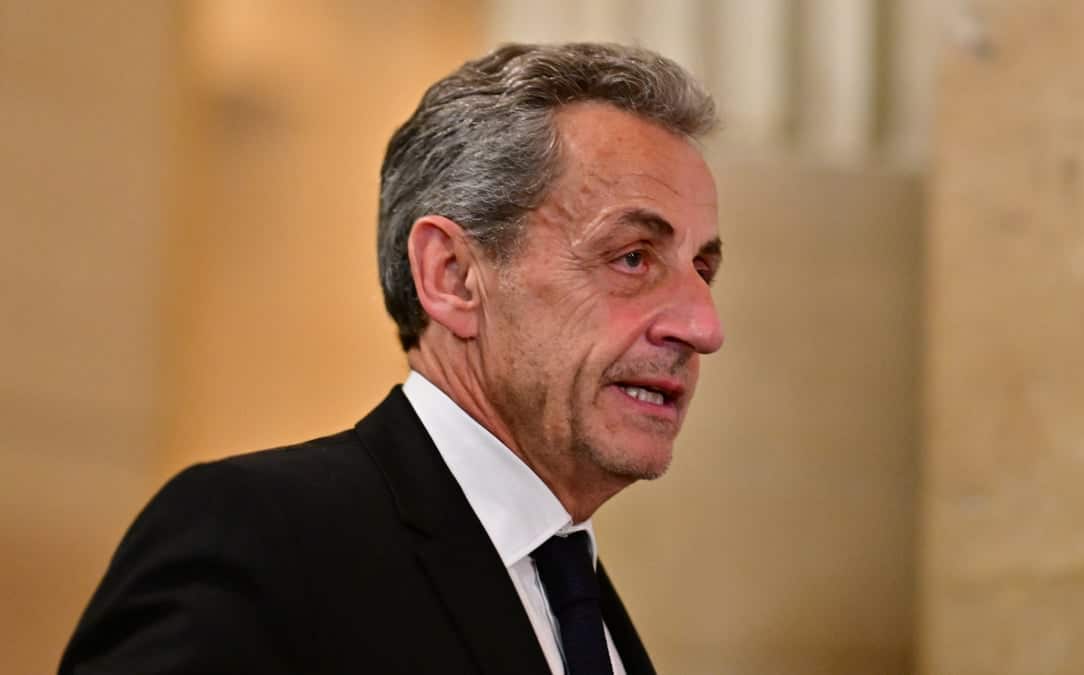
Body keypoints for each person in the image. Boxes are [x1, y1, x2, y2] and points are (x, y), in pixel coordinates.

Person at [60, 42, 724, 675]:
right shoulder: (255, 540)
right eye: (632, 257)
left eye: (702, 270)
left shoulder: (576, 591)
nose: (704, 327)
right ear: (453, 276)